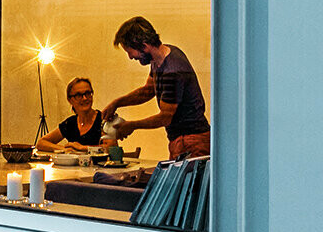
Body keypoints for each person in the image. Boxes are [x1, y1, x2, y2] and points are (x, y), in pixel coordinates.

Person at [100, 16, 210, 160]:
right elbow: (147, 90)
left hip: (191, 141)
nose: (130, 57)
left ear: (144, 46)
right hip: (181, 140)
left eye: (130, 51)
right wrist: (117, 103)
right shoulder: (160, 59)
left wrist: (131, 125)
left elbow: (165, 117)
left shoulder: (172, 71)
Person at [34, 77, 117, 151]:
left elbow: (110, 147)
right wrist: (64, 149)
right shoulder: (70, 123)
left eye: (87, 93)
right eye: (78, 95)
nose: (84, 98)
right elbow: (41, 143)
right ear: (70, 100)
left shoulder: (103, 119)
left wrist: (82, 148)